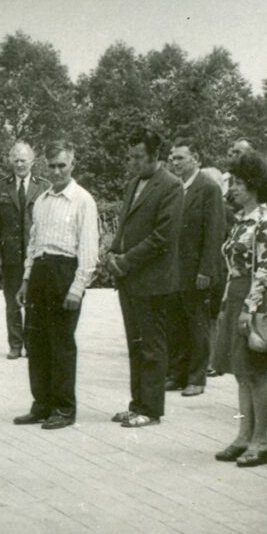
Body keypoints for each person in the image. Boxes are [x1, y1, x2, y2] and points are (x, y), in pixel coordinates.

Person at [12, 141, 100, 430]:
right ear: (45, 167)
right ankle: (42, 405)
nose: (57, 171)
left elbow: (88, 250)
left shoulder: (83, 200)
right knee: (36, 342)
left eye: (62, 165)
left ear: (72, 165)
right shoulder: (42, 201)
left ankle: (63, 408)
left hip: (65, 273)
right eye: (52, 166)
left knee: (61, 343)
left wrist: (78, 288)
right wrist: (26, 279)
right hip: (39, 272)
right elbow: (34, 243)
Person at [212, 152, 267, 468]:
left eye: (239, 183)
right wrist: (228, 303)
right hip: (236, 295)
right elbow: (233, 266)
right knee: (241, 373)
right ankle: (243, 435)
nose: (234, 189)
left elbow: (266, 269)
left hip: (254, 299)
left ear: (254, 185)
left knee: (255, 373)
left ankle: (262, 440)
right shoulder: (242, 220)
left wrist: (249, 307)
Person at [107, 129, 184, 428]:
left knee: (152, 346)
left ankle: (151, 410)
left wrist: (126, 261)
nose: (133, 162)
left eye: (139, 156)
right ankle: (136, 403)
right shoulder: (133, 184)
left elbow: (163, 237)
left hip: (152, 281)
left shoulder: (171, 186)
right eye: (131, 156)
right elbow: (125, 225)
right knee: (135, 344)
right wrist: (113, 252)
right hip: (129, 279)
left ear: (155, 156)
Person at [164, 137, 226, 397]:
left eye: (180, 158)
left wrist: (207, 270)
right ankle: (177, 373)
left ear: (196, 159)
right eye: (173, 158)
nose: (174, 162)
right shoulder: (174, 187)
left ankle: (197, 378)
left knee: (198, 324)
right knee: (176, 323)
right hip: (174, 270)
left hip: (197, 270)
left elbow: (215, 232)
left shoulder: (208, 188)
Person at [0, 142, 50, 360]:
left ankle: (32, 344)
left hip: (35, 256)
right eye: (15, 160)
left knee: (34, 302)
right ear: (10, 162)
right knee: (12, 302)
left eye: (23, 160)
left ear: (32, 162)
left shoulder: (44, 187)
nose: (19, 164)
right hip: (11, 256)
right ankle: (15, 345)